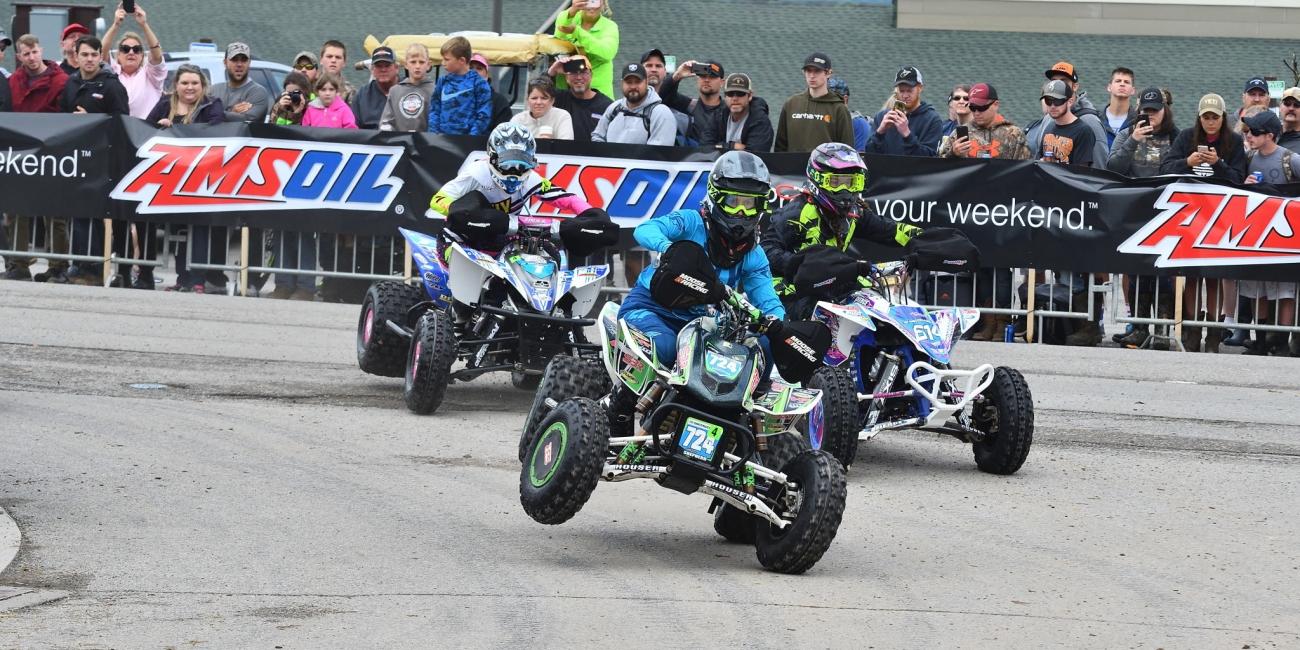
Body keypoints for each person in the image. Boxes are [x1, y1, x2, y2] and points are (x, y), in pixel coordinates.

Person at [617, 151, 785, 390]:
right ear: (716, 197)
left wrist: (779, 325)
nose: (741, 212)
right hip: (652, 308)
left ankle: (749, 405)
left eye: (749, 204)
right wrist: (670, 249)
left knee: (766, 346)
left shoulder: (754, 254)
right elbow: (644, 229)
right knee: (666, 349)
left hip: (704, 325)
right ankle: (620, 400)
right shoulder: (690, 222)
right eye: (734, 202)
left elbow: (769, 302)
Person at [762, 143, 921, 319]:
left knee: (875, 307)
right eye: (836, 183)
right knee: (824, 319)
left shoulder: (854, 214)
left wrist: (928, 239)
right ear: (817, 178)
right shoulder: (796, 213)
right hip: (789, 292)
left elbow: (891, 230)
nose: (845, 191)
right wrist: (799, 264)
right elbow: (767, 248)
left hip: (829, 286)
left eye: (851, 183)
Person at [1160, 93, 1247, 352]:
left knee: (1214, 276)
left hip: (1221, 216)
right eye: (1206, 117)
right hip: (1190, 214)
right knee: (1192, 274)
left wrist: (1217, 164)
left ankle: (1213, 332)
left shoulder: (1234, 141)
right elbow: (1165, 168)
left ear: (1223, 118)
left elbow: (1239, 178)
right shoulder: (1186, 137)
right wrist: (1187, 162)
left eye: (1215, 117)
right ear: (1199, 118)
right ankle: (1192, 329)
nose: (1210, 122)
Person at [1107, 87, 1179, 349]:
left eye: (1155, 110)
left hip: (1167, 214)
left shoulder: (1177, 136)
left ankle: (1162, 329)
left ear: (1164, 110)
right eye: (1146, 111)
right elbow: (1112, 166)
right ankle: (1138, 327)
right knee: (1136, 271)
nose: (1151, 115)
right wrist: (1133, 140)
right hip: (1135, 213)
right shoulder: (1127, 133)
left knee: (1163, 273)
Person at [144, 64, 224, 292]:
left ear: (203, 85)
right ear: (176, 85)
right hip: (171, 177)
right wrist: (160, 127)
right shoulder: (164, 103)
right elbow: (146, 128)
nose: (190, 87)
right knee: (177, 228)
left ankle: (197, 279)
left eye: (195, 83)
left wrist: (179, 128)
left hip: (201, 177)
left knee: (198, 227)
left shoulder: (212, 104)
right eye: (185, 83)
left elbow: (215, 129)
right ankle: (182, 278)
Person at [58, 35, 130, 286]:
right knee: (77, 213)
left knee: (94, 215)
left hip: (103, 160)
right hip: (75, 158)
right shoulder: (70, 83)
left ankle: (94, 267)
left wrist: (92, 120)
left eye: (94, 55)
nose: (89, 59)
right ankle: (79, 264)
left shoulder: (112, 86)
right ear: (76, 56)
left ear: (101, 56)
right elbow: (62, 117)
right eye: (85, 55)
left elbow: (123, 122)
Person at [4, 34, 69, 282]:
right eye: (26, 54)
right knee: (16, 210)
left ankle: (57, 266)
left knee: (54, 212)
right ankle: (19, 264)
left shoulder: (61, 81)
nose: (31, 58)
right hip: (21, 154)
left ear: (41, 50)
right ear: (19, 56)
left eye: (34, 52)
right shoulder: (13, 82)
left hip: (52, 154)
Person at [1238, 109, 1298, 355]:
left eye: (1255, 132)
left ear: (1270, 135)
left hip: (1285, 236)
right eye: (1248, 131)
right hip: (1256, 234)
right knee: (1257, 288)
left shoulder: (1290, 159)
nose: (1249, 136)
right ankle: (1260, 339)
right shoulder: (1249, 158)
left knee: (1285, 289)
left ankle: (1281, 340)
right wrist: (1245, 184)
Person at [1033, 61, 1110, 165]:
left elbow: (1099, 165)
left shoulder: (1089, 120)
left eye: (1063, 81)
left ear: (1075, 86)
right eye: (1054, 81)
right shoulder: (1049, 119)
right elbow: (1038, 157)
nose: (1057, 85)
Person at [775, 53, 854, 153]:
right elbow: (780, 147)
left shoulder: (839, 108)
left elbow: (846, 150)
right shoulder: (791, 104)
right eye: (808, 71)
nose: (812, 76)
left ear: (828, 73)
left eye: (817, 71)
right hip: (792, 163)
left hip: (826, 163)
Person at [102, 2, 166, 120]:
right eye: (125, 49)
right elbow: (101, 52)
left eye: (136, 49)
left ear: (142, 55)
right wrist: (116, 24)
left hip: (147, 128)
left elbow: (157, 55)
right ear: (118, 55)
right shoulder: (111, 73)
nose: (131, 52)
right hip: (118, 128)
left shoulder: (151, 75)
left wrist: (144, 24)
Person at [864, 66, 943, 157]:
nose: (905, 95)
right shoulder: (882, 117)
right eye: (901, 91)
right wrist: (880, 132)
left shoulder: (932, 120)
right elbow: (869, 154)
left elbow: (931, 159)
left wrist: (907, 135)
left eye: (909, 90)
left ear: (920, 88)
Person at [590, 63, 675, 145]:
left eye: (638, 82)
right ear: (622, 83)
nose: (633, 86)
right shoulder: (614, 108)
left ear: (646, 82)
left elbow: (659, 151)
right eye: (629, 82)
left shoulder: (661, 113)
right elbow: (597, 136)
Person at [553, 0, 619, 100]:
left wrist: (577, 32)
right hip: (566, 93)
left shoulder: (610, 26)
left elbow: (607, 52)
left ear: (603, 3)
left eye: (595, 1)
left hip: (597, 95)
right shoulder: (568, 17)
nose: (591, 6)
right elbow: (559, 35)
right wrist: (572, 11)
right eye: (587, 1)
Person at [427, 36, 491, 136]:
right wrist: (434, 135)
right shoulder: (442, 81)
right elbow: (435, 110)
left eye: (446, 59)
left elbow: (483, 115)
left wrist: (471, 138)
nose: (443, 63)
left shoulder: (479, 83)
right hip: (442, 139)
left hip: (467, 140)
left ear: (461, 60)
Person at [699, 72, 773, 152]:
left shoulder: (760, 120)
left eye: (740, 93)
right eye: (730, 94)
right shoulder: (718, 115)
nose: (735, 98)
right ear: (725, 96)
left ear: (750, 96)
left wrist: (719, 147)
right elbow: (704, 148)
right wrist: (732, 146)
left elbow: (756, 153)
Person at [659, 58, 725, 146]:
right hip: (690, 154)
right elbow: (661, 97)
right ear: (697, 79)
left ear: (722, 82)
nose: (706, 80)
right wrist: (678, 75)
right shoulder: (689, 106)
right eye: (703, 76)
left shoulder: (729, 111)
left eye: (712, 77)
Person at [546, 55, 611, 142]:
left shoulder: (607, 106)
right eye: (573, 73)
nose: (579, 77)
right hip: (563, 150)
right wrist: (552, 72)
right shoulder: (559, 99)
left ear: (591, 75)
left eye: (584, 72)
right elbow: (537, 92)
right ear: (566, 77)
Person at [1033, 80, 1097, 167]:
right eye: (1048, 101)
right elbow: (1038, 161)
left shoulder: (1083, 131)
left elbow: (1081, 171)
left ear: (1070, 102)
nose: (1052, 106)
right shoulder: (1049, 127)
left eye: (1057, 101)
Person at [379, 43, 433, 132]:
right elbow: (386, 122)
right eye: (413, 62)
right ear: (406, 64)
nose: (417, 66)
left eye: (421, 62)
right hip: (400, 140)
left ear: (428, 65)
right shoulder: (395, 91)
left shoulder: (435, 91)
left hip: (427, 140)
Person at [211, 42, 269, 123]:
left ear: (249, 63)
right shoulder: (213, 90)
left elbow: (246, 119)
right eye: (234, 60)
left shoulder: (258, 92)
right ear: (225, 62)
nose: (239, 64)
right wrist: (232, 112)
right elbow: (202, 116)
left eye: (244, 60)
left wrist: (217, 114)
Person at [349, 46, 399, 130]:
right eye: (379, 66)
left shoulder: (408, 91)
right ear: (372, 69)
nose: (383, 70)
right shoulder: (362, 96)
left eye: (387, 65)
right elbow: (354, 129)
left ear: (396, 68)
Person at [827, 77, 872, 152]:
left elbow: (861, 156)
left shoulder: (858, 124)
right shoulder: (821, 120)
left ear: (845, 99)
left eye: (831, 100)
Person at [469, 53, 513, 129]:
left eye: (479, 68)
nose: (474, 72)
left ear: (487, 75)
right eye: (470, 68)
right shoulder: (453, 98)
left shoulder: (500, 102)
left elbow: (503, 132)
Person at [1103, 67, 1136, 148]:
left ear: (1133, 90)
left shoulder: (1137, 121)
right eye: (1118, 81)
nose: (1122, 84)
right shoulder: (1097, 118)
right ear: (1109, 87)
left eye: (1127, 82)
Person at [318, 40, 356, 104]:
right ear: (321, 60)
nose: (333, 60)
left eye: (338, 57)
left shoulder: (349, 91)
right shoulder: (311, 85)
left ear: (344, 62)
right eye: (329, 56)